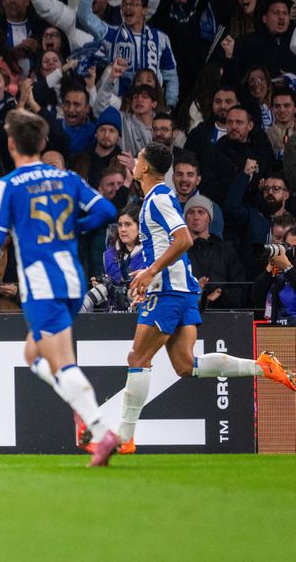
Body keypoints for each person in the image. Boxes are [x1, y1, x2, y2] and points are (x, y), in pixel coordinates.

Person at [104, 142, 296, 456]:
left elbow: (184, 238)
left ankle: (124, 437)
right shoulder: (158, 196)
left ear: (147, 168)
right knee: (185, 365)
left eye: (138, 159)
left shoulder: (157, 200)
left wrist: (150, 272)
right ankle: (262, 367)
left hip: (168, 291)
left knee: (138, 360)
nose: (134, 162)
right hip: (180, 290)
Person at [0, 109, 120, 466]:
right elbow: (106, 210)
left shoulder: (9, 185)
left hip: (41, 284)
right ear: (43, 143)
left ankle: (99, 426)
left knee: (62, 363)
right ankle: (80, 403)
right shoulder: (67, 178)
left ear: (11, 144)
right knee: (32, 355)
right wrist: (76, 227)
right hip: (72, 279)